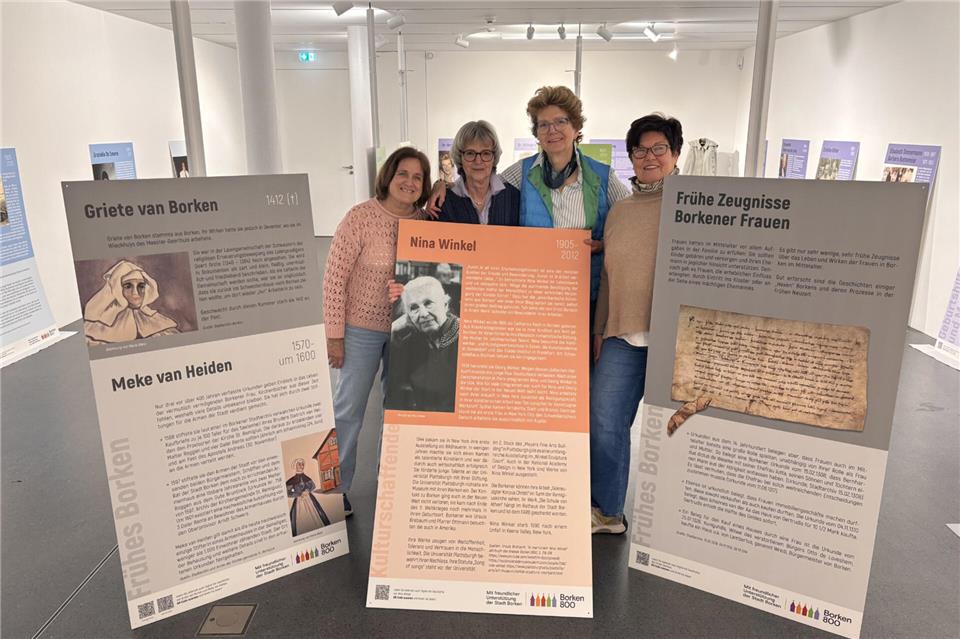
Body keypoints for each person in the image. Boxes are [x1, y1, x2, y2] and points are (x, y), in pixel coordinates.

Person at [429, 86, 631, 317]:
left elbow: (633, 216)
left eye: (560, 121)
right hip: (534, 298)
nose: (552, 130)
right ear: (536, 133)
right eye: (543, 124)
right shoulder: (522, 173)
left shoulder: (602, 176)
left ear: (576, 126)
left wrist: (606, 244)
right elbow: (482, 180)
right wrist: (442, 185)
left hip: (585, 298)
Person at [322, 146, 430, 515]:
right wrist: (335, 335)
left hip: (407, 330)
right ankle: (333, 493)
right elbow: (334, 280)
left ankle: (391, 486)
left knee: (399, 411)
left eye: (418, 177)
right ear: (388, 175)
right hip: (360, 329)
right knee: (348, 409)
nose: (409, 182)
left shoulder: (426, 224)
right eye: (403, 173)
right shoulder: (360, 218)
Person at [590, 113, 683, 534]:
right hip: (623, 336)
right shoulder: (620, 210)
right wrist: (599, 329)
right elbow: (609, 275)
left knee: (681, 437)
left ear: (675, 154)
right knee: (605, 422)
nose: (649, 157)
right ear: (630, 156)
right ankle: (608, 511)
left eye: (659, 149)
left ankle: (684, 529)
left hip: (679, 341)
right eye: (641, 150)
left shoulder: (697, 204)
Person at [384, 276, 459, 413]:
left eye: (428, 303)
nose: (423, 314)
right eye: (414, 308)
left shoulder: (465, 337)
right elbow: (393, 388)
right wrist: (393, 331)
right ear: (407, 316)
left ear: (445, 304)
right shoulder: (411, 341)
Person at [436, 120, 520, 226]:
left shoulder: (513, 197)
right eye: (470, 153)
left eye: (486, 153)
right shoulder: (443, 201)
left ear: (494, 157)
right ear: (460, 157)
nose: (478, 161)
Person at [83, 259, 180, 345]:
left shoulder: (158, 321)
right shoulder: (96, 328)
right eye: (128, 286)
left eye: (141, 286)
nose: (135, 293)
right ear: (117, 289)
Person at [286, 458, 331, 536]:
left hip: (310, 500)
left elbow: (312, 486)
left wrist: (307, 490)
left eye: (302, 464)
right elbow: (288, 492)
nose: (301, 466)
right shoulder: (291, 481)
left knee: (316, 516)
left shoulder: (307, 478)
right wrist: (299, 494)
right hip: (299, 503)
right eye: (299, 464)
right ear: (295, 466)